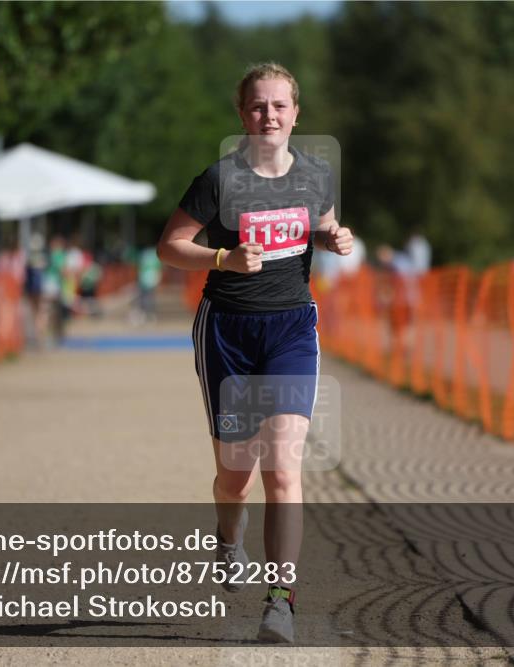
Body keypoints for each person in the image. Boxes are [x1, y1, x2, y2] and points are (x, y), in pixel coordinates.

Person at [156, 62, 353, 643]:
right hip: (228, 333)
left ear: (296, 113)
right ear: (242, 115)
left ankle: (280, 603)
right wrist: (222, 259)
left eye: (279, 106)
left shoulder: (316, 176)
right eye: (258, 106)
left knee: (283, 470)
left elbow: (316, 226)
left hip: (291, 328)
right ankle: (228, 538)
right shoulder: (219, 180)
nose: (269, 115)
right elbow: (170, 246)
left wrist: (332, 237)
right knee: (234, 477)